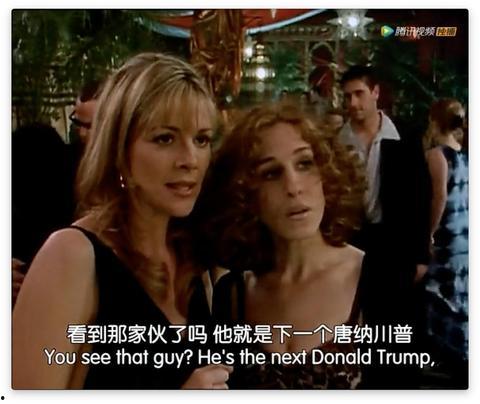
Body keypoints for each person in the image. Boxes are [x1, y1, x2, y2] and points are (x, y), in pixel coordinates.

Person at [13, 52, 232, 389]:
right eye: (165, 138)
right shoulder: (72, 255)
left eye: (201, 139)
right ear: (119, 149)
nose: (190, 159)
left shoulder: (193, 261)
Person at [197, 103, 378, 388]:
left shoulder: (379, 279)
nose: (293, 187)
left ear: (328, 173)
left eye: (305, 164)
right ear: (245, 193)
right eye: (271, 173)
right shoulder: (231, 295)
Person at [338, 65, 431, 324]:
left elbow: (420, 197)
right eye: (347, 96)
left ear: (375, 93)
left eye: (359, 94)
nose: (353, 103)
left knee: (395, 319)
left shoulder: (405, 136)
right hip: (352, 241)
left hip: (396, 244)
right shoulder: (337, 141)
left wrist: (421, 255)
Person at [422, 98, 468, 388]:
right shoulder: (465, 155)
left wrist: (429, 232)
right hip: (464, 234)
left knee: (440, 295)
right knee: (459, 296)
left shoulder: (437, 155)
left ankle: (448, 358)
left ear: (434, 121)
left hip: (447, 236)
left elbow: (439, 197)